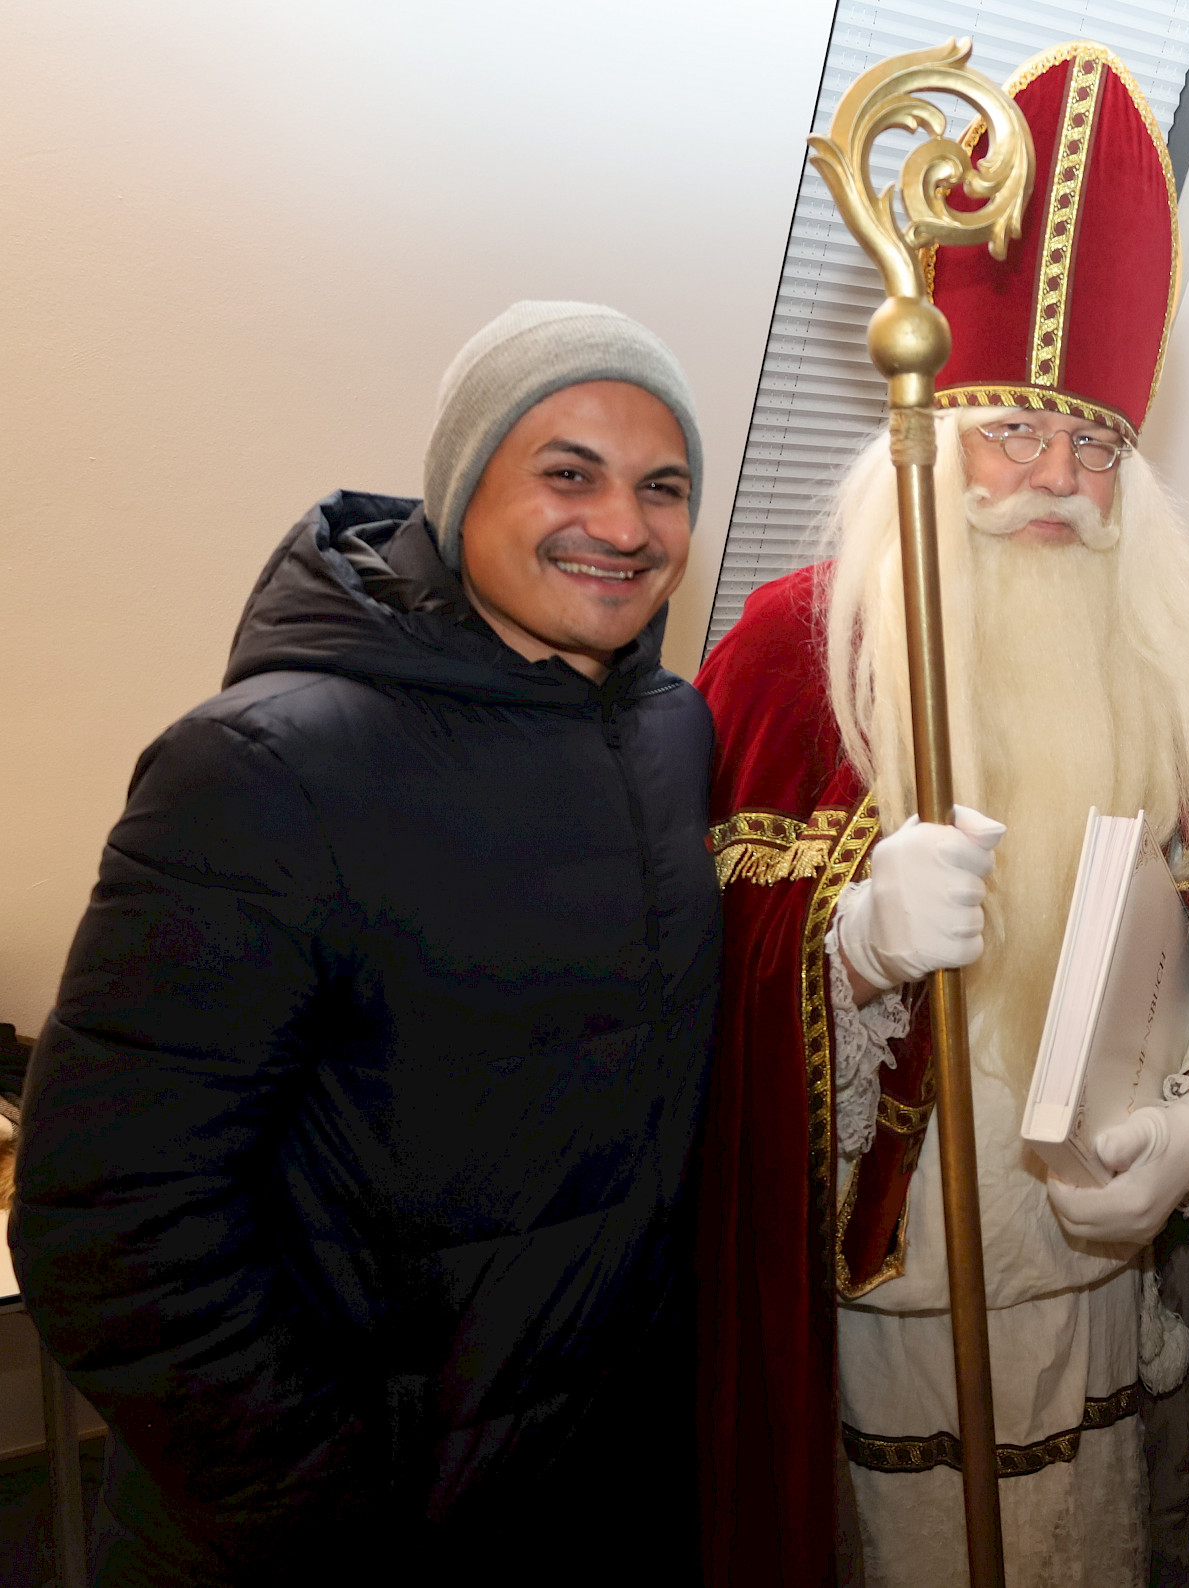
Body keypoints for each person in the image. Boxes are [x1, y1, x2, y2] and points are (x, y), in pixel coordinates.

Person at [693, 43, 1189, 1588]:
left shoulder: (1175, 662)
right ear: (931, 434)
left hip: (1100, 1286)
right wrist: (844, 950)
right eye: (1012, 430)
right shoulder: (799, 654)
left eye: (1099, 444)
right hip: (898, 1298)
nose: (1057, 478)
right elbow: (697, 1024)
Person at [11, 301, 722, 1586]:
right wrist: (321, 1513)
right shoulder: (267, 765)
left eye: (661, 487)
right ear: (461, 490)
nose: (621, 526)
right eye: (568, 472)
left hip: (577, 1496)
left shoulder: (671, 733)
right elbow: (107, 1218)